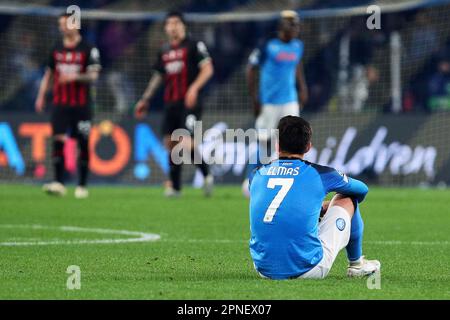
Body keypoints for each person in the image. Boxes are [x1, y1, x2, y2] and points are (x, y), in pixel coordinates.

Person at [249, 116, 380, 279]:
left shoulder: (256, 174)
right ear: (308, 147)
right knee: (348, 197)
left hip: (263, 269)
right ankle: (356, 264)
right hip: (309, 269)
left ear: (277, 145)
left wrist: (315, 207)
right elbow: (362, 189)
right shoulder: (321, 173)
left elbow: (277, 203)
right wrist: (329, 206)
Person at [135, 11, 214, 197]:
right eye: (169, 23)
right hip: (171, 103)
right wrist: (145, 98)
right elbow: (158, 76)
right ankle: (176, 187)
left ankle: (206, 174)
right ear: (165, 28)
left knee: (185, 141)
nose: (173, 26)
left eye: (177, 23)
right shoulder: (164, 51)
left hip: (190, 103)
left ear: (183, 26)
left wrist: (194, 88)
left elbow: (208, 69)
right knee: (170, 143)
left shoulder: (195, 45)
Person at [35, 13, 101, 198]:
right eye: (60, 24)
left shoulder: (88, 48)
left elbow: (94, 75)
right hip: (60, 104)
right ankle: (59, 182)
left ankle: (82, 185)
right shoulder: (56, 48)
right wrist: (41, 96)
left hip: (82, 105)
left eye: (66, 24)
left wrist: (74, 77)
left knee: (83, 142)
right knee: (58, 140)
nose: (62, 27)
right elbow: (49, 74)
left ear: (76, 25)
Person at [242, 10, 308, 196]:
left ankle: (292, 182)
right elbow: (250, 69)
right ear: (281, 26)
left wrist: (303, 88)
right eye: (291, 24)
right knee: (264, 141)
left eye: (296, 25)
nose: (295, 28)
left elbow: (297, 66)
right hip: (269, 102)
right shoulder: (267, 45)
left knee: (294, 139)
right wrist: (254, 98)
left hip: (290, 100)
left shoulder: (297, 46)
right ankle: (252, 181)